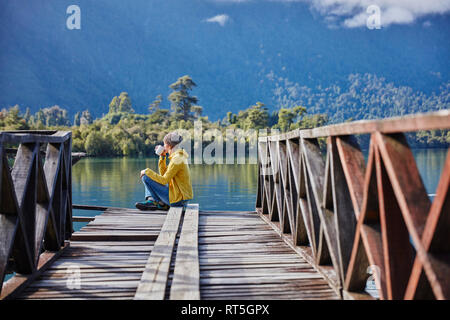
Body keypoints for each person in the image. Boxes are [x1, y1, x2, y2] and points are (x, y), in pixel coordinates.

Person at [135, 131, 193, 211]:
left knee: (146, 177)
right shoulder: (178, 156)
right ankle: (155, 202)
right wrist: (162, 157)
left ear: (168, 146)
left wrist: (146, 171)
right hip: (180, 198)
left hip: (178, 200)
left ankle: (155, 202)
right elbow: (164, 175)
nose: (163, 146)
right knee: (150, 177)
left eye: (164, 144)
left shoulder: (177, 159)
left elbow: (164, 180)